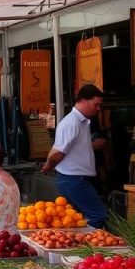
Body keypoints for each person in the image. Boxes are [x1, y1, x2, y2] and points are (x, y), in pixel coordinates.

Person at [41, 84, 109, 228]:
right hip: (73, 180)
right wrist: (48, 166)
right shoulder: (72, 123)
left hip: (76, 179)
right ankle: (89, 247)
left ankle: (81, 246)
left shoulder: (81, 122)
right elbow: (58, 152)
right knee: (98, 214)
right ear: (83, 101)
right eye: (96, 104)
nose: (98, 108)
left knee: (76, 219)